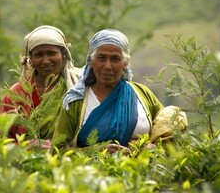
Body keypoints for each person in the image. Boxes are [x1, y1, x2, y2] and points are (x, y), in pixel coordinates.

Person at [53, 29, 187, 153]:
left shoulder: (141, 94)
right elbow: (57, 151)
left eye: (115, 59)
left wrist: (152, 147)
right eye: (101, 58)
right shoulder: (76, 101)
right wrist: (96, 151)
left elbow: (168, 131)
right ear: (91, 62)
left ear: (125, 63)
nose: (107, 66)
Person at [0, 25, 81, 146]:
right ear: (30, 59)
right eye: (39, 55)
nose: (46, 60)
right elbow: (0, 140)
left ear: (64, 54)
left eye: (51, 53)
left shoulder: (76, 88)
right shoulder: (16, 94)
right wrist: (27, 147)